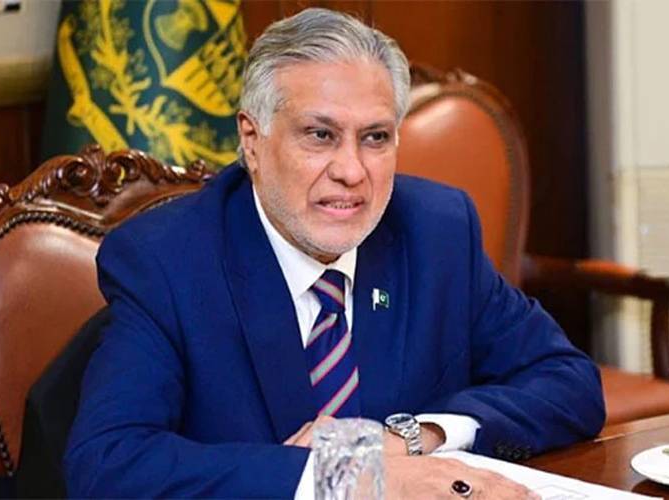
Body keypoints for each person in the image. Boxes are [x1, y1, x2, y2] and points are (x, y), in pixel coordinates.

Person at [64, 7, 605, 499]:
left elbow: (569, 383)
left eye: (375, 138)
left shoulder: (436, 231)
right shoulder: (166, 260)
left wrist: (415, 436)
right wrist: (347, 477)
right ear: (252, 141)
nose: (351, 171)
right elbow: (108, 464)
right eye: (320, 135)